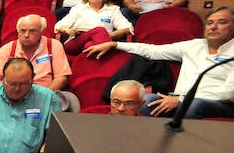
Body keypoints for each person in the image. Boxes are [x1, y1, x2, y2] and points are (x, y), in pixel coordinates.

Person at [84, 7, 234, 119]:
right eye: (209, 23)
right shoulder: (194, 45)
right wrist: (115, 45)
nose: (213, 27)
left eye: (222, 22)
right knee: (147, 101)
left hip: (218, 103)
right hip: (178, 98)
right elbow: (153, 51)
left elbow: (229, 93)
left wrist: (182, 100)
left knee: (193, 105)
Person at [0, 14, 78, 111]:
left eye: (32, 31)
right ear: (18, 31)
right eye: (23, 31)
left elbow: (61, 78)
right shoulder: (8, 48)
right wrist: (9, 94)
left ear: (41, 32)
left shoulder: (54, 46)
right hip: (12, 97)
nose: (26, 35)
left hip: (44, 97)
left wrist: (42, 96)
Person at [55, 0, 133, 55]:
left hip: (97, 45)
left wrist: (108, 35)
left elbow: (128, 28)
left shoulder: (113, 9)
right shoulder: (78, 8)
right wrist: (68, 31)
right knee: (100, 30)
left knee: (89, 45)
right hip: (76, 43)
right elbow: (58, 26)